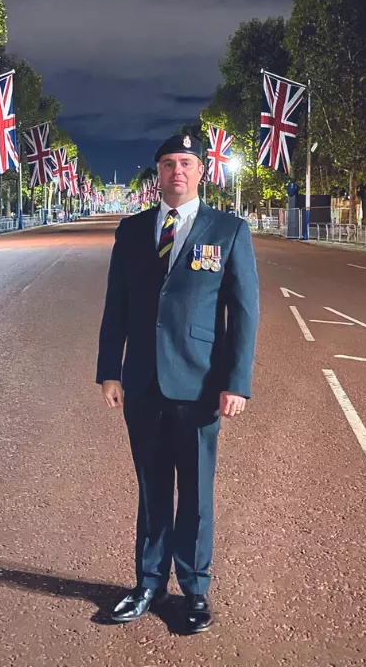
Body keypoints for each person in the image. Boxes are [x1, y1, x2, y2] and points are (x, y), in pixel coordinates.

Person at [96, 134, 260, 634]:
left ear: (201, 171)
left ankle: (193, 591)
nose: (177, 172)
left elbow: (244, 312)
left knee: (194, 493)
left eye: (186, 163)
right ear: (158, 173)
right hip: (143, 383)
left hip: (200, 384)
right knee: (151, 490)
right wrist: (109, 370)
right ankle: (148, 584)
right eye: (168, 164)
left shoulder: (228, 230)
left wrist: (236, 382)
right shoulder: (132, 230)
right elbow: (116, 305)